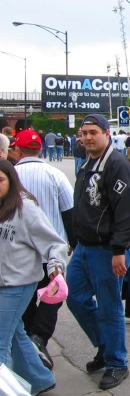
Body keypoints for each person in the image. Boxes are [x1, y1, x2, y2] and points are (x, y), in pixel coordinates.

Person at [65, 114, 130, 390]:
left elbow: (129, 212)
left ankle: (117, 363)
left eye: (92, 132)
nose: (86, 137)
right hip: (84, 247)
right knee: (74, 297)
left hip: (108, 249)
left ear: (107, 133)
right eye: (83, 133)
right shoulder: (88, 162)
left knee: (109, 308)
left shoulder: (117, 165)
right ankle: (105, 346)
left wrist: (120, 249)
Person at [0, 158, 65, 396]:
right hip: (3, 282)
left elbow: (54, 242)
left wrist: (56, 267)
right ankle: (39, 380)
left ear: (11, 181)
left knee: (0, 342)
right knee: (15, 333)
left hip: (17, 284)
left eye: (0, 180)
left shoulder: (25, 208)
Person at [13, 130, 75, 371]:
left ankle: (31, 338)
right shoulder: (55, 174)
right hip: (52, 252)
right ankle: (39, 338)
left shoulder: (10, 175)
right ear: (40, 149)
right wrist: (72, 242)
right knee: (53, 295)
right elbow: (69, 212)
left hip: (20, 254)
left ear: (17, 150)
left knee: (26, 300)